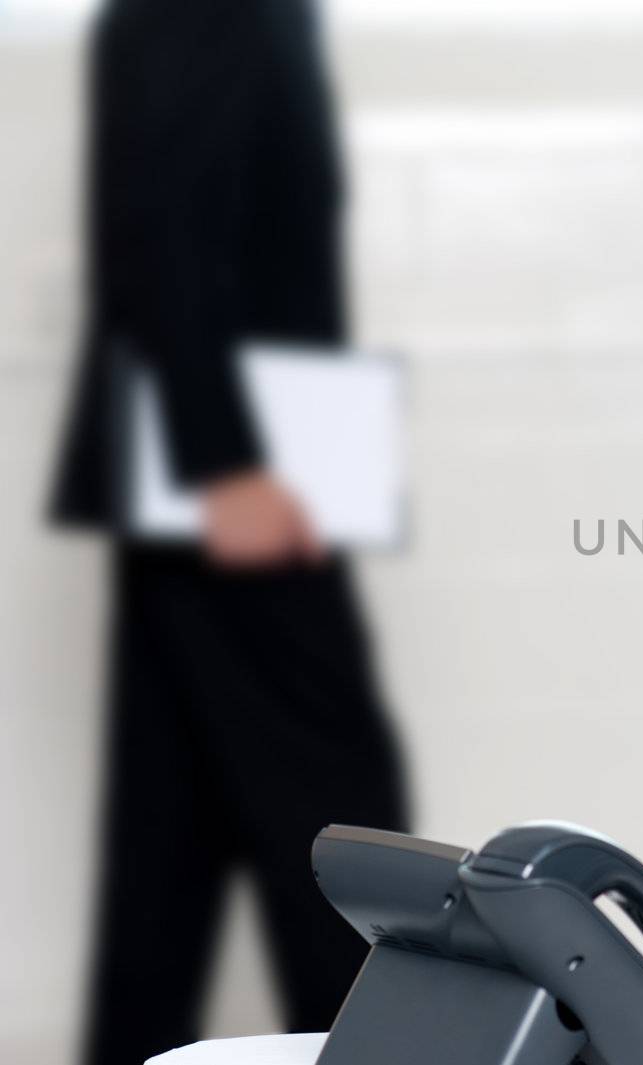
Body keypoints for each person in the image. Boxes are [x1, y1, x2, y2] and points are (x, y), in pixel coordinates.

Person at [46, 3, 408, 1062]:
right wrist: (226, 469)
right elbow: (156, 233)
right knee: (338, 826)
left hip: (227, 470)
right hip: (231, 475)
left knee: (171, 841)